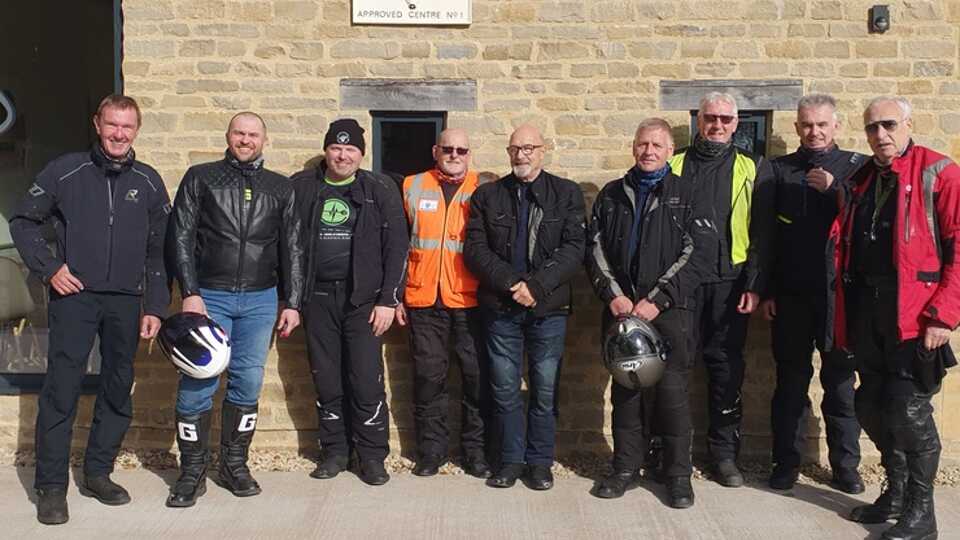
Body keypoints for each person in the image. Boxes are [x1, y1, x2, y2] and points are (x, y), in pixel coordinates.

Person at [10, 95, 170, 525]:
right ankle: (51, 488)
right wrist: (50, 269)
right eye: (112, 125)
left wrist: (155, 304)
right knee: (62, 389)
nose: (119, 134)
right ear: (97, 124)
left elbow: (159, 251)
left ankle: (98, 473)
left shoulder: (150, 182)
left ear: (137, 130)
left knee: (118, 387)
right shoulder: (66, 171)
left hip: (125, 301)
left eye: (127, 127)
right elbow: (23, 221)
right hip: (75, 296)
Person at [834, 96, 960, 540]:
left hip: (917, 316)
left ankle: (921, 513)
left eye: (888, 125)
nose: (880, 135)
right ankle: (897, 488)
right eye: (872, 128)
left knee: (909, 412)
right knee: (870, 404)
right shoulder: (863, 178)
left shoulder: (938, 172)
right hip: (869, 310)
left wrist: (943, 315)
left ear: (909, 123)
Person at [166, 112, 304, 507]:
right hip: (210, 296)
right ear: (228, 136)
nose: (246, 140)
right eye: (239, 133)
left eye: (253, 135)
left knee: (247, 382)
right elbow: (181, 237)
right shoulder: (201, 177)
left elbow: (292, 246)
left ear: (264, 139)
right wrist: (189, 292)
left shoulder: (280, 187)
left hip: (261, 300)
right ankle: (192, 471)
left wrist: (292, 301)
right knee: (198, 381)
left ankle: (233, 464)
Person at [585, 118, 714, 507]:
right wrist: (613, 295)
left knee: (672, 395)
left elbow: (699, 254)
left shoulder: (689, 194)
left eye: (657, 145)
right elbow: (594, 250)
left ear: (670, 152)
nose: (649, 151)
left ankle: (677, 476)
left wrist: (658, 299)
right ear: (633, 147)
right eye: (643, 144)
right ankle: (625, 468)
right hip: (622, 312)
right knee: (626, 394)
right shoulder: (611, 195)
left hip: (670, 313)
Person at [751, 94, 866, 493]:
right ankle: (786, 463)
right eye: (806, 125)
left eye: (821, 125)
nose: (813, 131)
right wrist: (763, 290)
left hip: (840, 301)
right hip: (791, 297)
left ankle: (846, 467)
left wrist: (837, 191)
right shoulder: (778, 169)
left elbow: (868, 221)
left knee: (839, 385)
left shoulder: (857, 168)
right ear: (796, 128)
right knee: (790, 384)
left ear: (836, 126)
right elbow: (764, 236)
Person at [464, 125, 585, 491]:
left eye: (529, 148)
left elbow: (573, 248)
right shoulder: (488, 196)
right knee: (504, 389)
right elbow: (475, 250)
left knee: (544, 389)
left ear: (543, 150)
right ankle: (512, 460)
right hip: (502, 309)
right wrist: (512, 284)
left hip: (548, 310)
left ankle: (540, 463)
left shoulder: (565, 194)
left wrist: (536, 286)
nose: (522, 155)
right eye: (515, 148)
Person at [292, 118, 408, 486]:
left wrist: (388, 300)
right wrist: (291, 299)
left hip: (363, 301)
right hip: (317, 298)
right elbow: (286, 246)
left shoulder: (379, 188)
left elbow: (398, 247)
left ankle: (372, 456)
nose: (342, 155)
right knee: (326, 379)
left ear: (361, 154)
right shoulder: (302, 187)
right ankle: (335, 451)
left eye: (350, 149)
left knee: (365, 380)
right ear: (326, 150)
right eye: (336, 148)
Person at [667, 92, 762, 487]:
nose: (717, 125)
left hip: (729, 282)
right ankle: (672, 453)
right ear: (698, 120)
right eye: (710, 118)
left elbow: (762, 232)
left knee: (725, 368)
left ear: (737, 124)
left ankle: (724, 455)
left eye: (725, 119)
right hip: (681, 283)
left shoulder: (751, 167)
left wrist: (755, 284)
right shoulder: (673, 163)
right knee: (676, 367)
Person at [396, 128, 492, 478]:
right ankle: (431, 453)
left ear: (470, 154)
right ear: (436, 150)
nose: (454, 154)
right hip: (423, 298)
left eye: (462, 150)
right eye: (448, 148)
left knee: (475, 379)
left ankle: (475, 453)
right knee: (428, 378)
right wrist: (396, 296)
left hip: (470, 301)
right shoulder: (411, 185)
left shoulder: (484, 188)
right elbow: (397, 245)